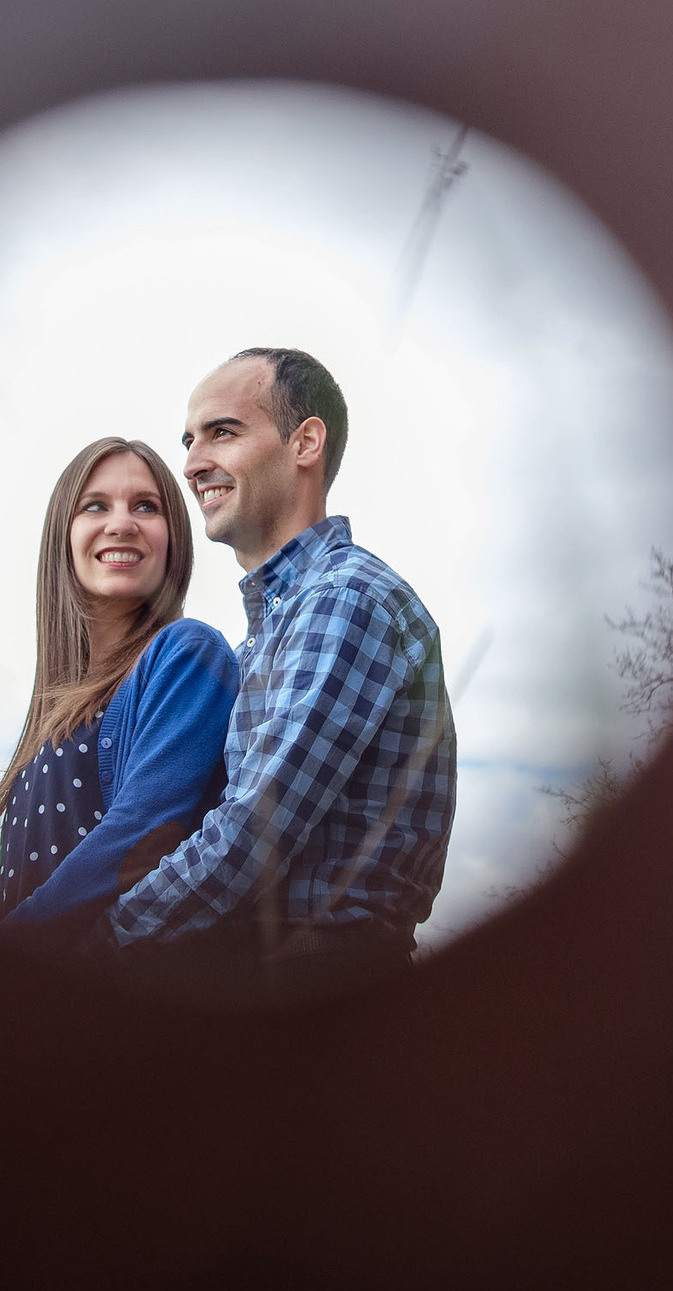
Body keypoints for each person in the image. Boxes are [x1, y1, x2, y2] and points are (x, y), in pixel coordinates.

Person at [106, 347, 455, 1006]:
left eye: (223, 431)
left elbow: (248, 840)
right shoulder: (272, 629)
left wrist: (92, 948)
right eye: (188, 440)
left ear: (306, 442)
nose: (192, 462)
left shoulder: (344, 599)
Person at [0, 438, 239, 939]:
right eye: (95, 506)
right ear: (64, 533)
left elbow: (142, 835)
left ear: (174, 539)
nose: (121, 523)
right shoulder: (52, 715)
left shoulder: (189, 654)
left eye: (146, 506)